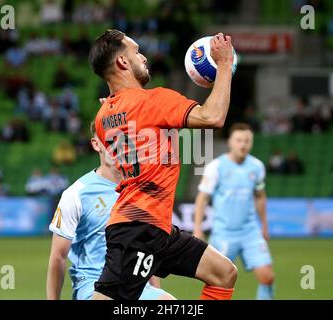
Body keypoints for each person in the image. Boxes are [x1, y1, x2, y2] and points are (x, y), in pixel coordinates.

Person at [89, 29, 237, 300]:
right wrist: (225, 65)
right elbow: (212, 117)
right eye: (136, 52)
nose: (143, 57)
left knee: (223, 273)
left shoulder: (102, 117)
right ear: (123, 62)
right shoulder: (152, 100)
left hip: (157, 227)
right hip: (138, 228)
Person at [46, 121, 174, 300]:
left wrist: (155, 291)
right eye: (109, 140)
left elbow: (146, 247)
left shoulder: (141, 189)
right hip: (92, 286)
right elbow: (58, 256)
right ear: (96, 144)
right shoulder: (76, 194)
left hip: (134, 283)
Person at [193, 123, 275, 300]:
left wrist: (265, 225)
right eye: (239, 140)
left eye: (247, 140)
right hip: (224, 233)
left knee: (267, 277)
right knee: (216, 280)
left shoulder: (257, 167)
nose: (243, 144)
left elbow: (260, 196)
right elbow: (202, 198)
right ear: (230, 141)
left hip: (250, 231)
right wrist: (198, 228)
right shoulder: (215, 167)